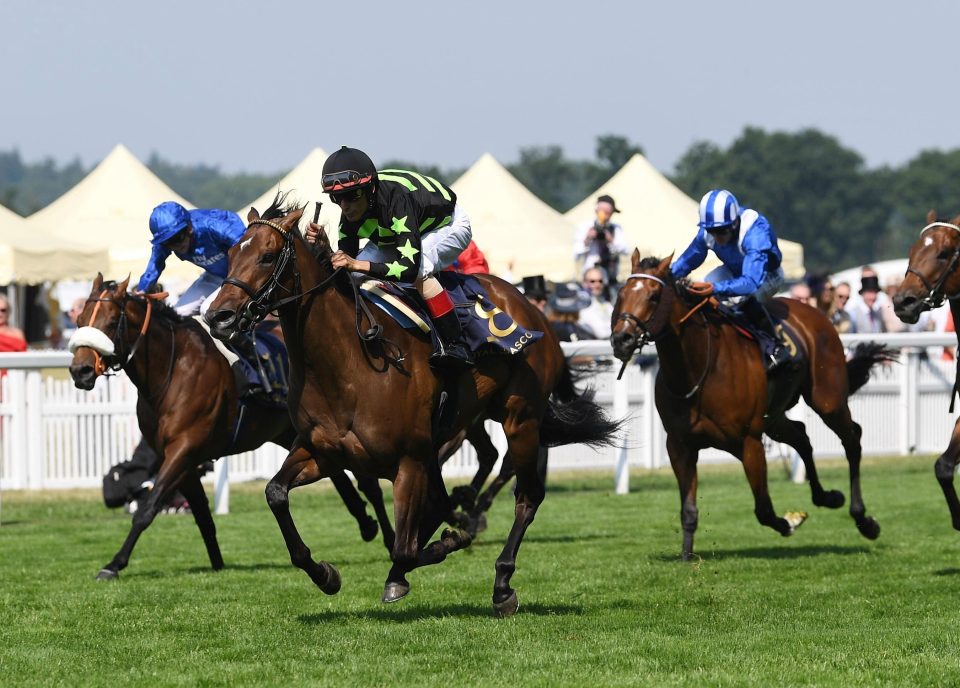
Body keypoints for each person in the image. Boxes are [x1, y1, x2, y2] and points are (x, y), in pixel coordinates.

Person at [305, 146, 473, 369]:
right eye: (337, 198)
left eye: (352, 195)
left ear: (370, 188)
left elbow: (408, 269)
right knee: (353, 274)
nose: (345, 206)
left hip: (446, 225)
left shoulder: (396, 200)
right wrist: (325, 248)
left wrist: (357, 264)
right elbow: (344, 268)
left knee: (421, 270)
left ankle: (456, 344)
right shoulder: (349, 214)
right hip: (395, 235)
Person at [137, 201, 265, 394]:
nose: (176, 246)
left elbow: (248, 253)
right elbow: (154, 267)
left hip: (238, 280)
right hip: (213, 277)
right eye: (169, 242)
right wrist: (141, 292)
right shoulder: (168, 239)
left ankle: (248, 355)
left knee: (208, 310)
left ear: (188, 227)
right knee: (177, 315)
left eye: (178, 238)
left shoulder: (214, 226)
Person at [670, 189, 790, 371]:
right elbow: (687, 261)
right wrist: (665, 277)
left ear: (734, 223)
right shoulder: (709, 230)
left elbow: (750, 283)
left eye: (720, 231)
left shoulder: (755, 232)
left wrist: (714, 288)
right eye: (712, 231)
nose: (716, 237)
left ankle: (774, 347)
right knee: (706, 284)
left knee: (739, 300)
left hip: (766, 275)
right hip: (735, 271)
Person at [573, 194, 630, 282]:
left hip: (611, 276)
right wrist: (587, 239)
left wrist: (611, 241)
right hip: (590, 278)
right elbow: (576, 255)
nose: (606, 215)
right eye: (603, 212)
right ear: (596, 211)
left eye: (608, 212)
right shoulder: (584, 227)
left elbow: (626, 251)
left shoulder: (616, 228)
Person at [578, 265, 614, 339]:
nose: (597, 285)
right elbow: (602, 334)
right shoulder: (580, 307)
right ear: (584, 283)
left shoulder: (608, 305)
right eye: (592, 281)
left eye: (600, 281)